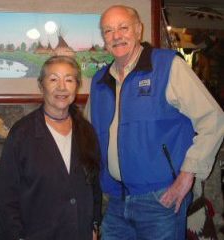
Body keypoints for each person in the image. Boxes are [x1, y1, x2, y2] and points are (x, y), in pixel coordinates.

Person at [85, 5, 224, 240]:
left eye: (123, 27)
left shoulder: (168, 66)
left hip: (161, 200)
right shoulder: (99, 81)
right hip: (116, 202)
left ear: (139, 30)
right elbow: (87, 134)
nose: (116, 36)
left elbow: (214, 119)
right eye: (108, 31)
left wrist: (187, 174)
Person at [0, 56, 101, 240]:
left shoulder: (87, 131)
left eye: (69, 79)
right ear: (41, 85)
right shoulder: (22, 134)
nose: (61, 87)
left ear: (77, 85)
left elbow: (94, 187)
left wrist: (94, 225)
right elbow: (4, 197)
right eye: (53, 79)